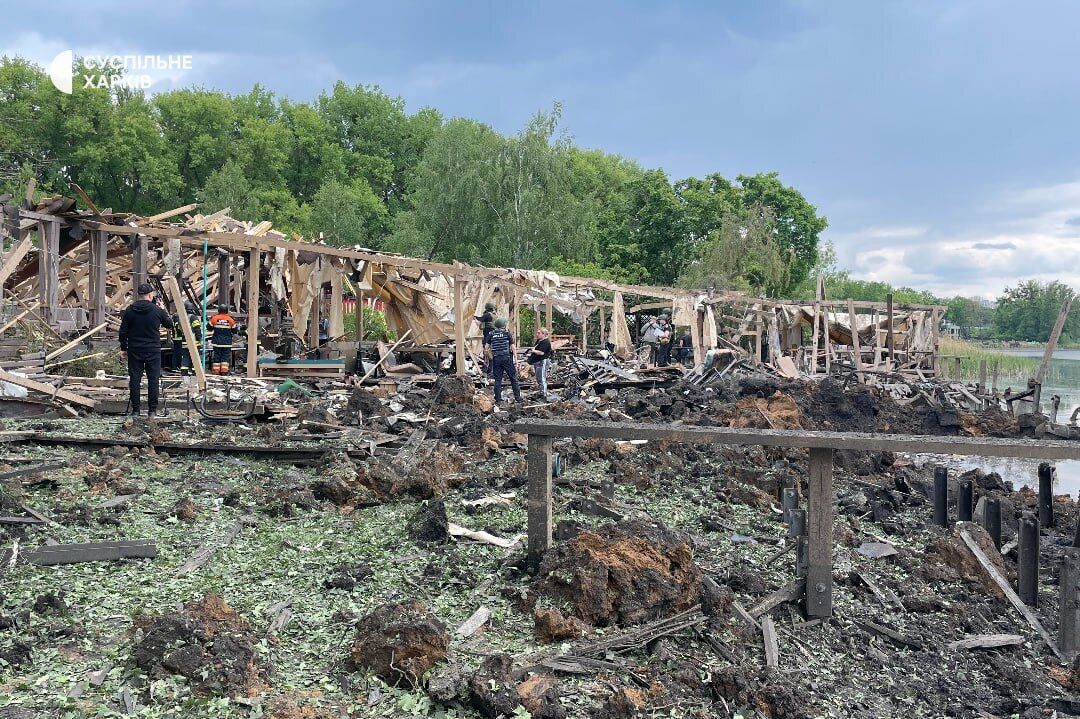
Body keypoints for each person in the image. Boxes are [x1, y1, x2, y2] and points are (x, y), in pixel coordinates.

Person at [119, 283, 173, 417]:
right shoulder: (156, 310)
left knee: (135, 379)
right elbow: (169, 324)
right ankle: (152, 411)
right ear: (150, 295)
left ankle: (136, 410)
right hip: (153, 349)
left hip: (135, 349)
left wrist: (123, 348)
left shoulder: (130, 310)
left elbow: (123, 331)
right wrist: (163, 310)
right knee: (153, 380)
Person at [483, 317, 521, 403]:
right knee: (513, 378)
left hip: (496, 359)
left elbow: (486, 349)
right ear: (504, 325)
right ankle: (518, 398)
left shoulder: (491, 334)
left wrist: (486, 360)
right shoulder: (507, 333)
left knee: (498, 380)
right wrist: (516, 360)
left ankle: (498, 399)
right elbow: (513, 347)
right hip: (506, 358)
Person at [170, 301, 202, 375]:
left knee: (185, 357)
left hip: (184, 341)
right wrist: (199, 338)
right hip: (194, 342)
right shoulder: (193, 317)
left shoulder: (181, 317)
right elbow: (197, 328)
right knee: (195, 359)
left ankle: (184, 373)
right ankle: (195, 373)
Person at [208, 304, 238, 375]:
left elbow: (209, 328)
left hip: (216, 342)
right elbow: (235, 331)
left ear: (219, 310)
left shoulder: (214, 318)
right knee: (225, 357)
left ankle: (216, 372)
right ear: (227, 311)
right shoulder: (231, 319)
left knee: (217, 356)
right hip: (227, 342)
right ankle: (224, 372)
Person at [528, 327, 553, 397]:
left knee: (542, 378)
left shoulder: (545, 342)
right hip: (537, 362)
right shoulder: (539, 341)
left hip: (542, 361)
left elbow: (541, 353)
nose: (537, 334)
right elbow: (536, 350)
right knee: (539, 378)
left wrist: (533, 351)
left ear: (544, 334)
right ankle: (541, 392)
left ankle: (544, 394)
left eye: (539, 333)